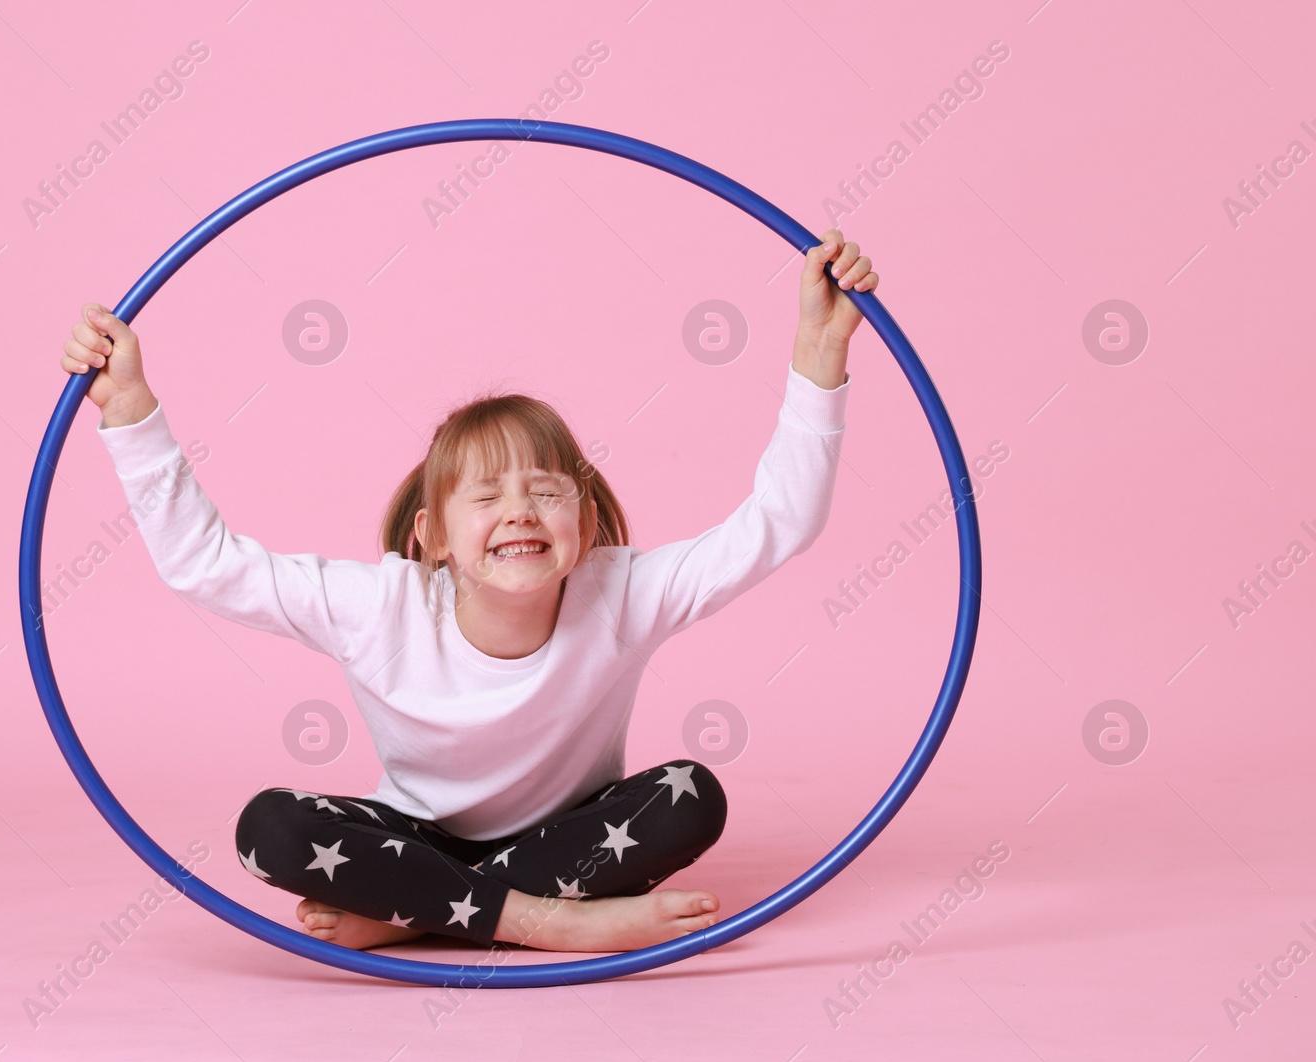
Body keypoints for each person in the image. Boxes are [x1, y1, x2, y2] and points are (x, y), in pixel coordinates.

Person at [59, 229, 877, 953]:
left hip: (569, 836)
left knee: (691, 796)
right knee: (268, 828)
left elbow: (781, 521)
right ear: (432, 540)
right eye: (484, 496)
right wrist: (130, 409)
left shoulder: (622, 591)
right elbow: (207, 564)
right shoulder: (382, 606)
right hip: (417, 840)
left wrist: (819, 354)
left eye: (546, 490)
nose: (519, 510)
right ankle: (544, 921)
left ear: (586, 523)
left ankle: (420, 916)